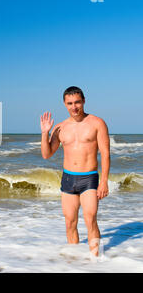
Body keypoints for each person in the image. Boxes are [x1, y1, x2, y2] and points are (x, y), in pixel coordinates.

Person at [40, 86, 110, 257]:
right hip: (68, 179)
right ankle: (75, 262)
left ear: (84, 101)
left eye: (77, 102)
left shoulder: (97, 123)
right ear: (64, 104)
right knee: (70, 222)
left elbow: (106, 154)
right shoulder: (61, 127)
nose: (74, 107)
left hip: (89, 178)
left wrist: (104, 181)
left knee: (90, 219)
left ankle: (95, 261)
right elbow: (46, 154)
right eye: (70, 103)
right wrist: (44, 133)